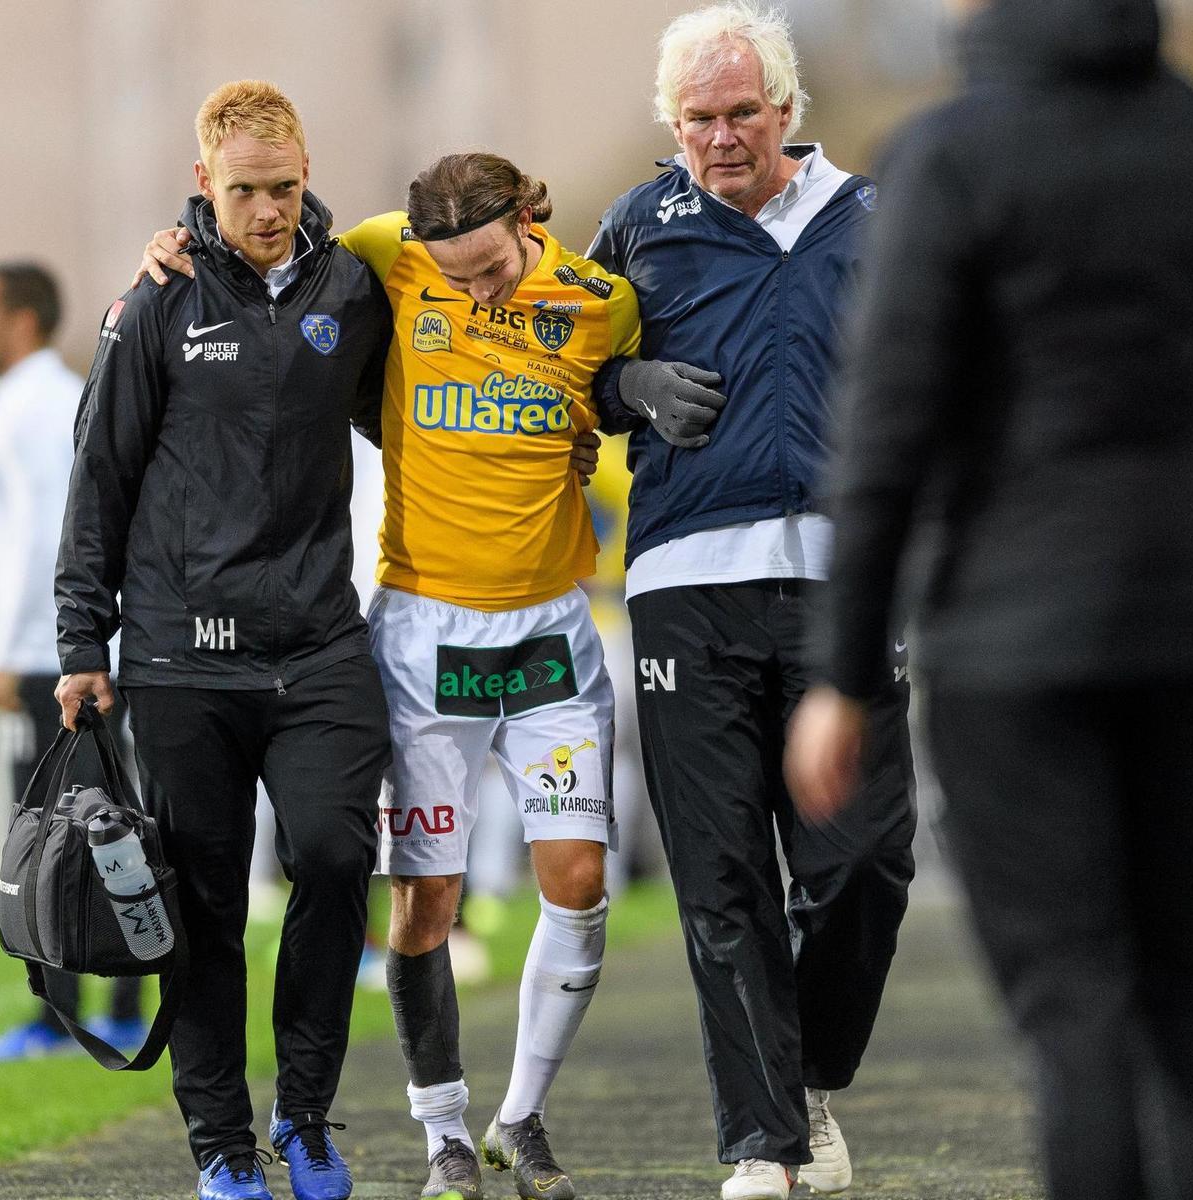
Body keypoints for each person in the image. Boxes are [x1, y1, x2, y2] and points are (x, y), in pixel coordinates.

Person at [785, 0, 1193, 1196]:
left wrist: (845, 672)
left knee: (1072, 1001)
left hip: (1005, 638)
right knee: (1172, 992)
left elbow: (886, 432)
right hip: (1164, 622)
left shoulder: (952, 155)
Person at [137, 152, 721, 1200]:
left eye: (491, 268)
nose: (475, 289)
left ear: (529, 222)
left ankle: (521, 1118)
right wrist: (176, 244)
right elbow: (268, 258)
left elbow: (617, 390)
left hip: (549, 628)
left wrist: (620, 393)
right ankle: (443, 1132)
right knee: (424, 904)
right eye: (453, 275)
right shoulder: (380, 253)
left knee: (580, 883)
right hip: (421, 634)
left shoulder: (599, 300)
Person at [584, 6, 917, 1197]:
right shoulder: (635, 223)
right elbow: (558, 368)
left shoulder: (874, 220)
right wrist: (626, 382)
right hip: (683, 585)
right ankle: (763, 1143)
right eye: (697, 119)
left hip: (842, 580)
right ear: (670, 124)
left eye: (740, 113)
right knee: (719, 879)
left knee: (866, 860)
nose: (720, 138)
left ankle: (807, 1070)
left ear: (786, 110)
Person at [56, 81, 393, 1200]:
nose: (265, 209)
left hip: (320, 644)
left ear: (308, 173)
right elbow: (98, 472)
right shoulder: (155, 298)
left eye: (284, 188)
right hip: (180, 656)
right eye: (243, 190)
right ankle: (219, 1146)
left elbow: (419, 392)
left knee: (339, 858)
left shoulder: (356, 285)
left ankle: (304, 1118)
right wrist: (80, 641)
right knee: (200, 897)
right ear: (204, 183)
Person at [0, 262, 147, 1064]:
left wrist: (9, 654)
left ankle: (60, 1016)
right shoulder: (25, 400)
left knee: (55, 836)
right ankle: (124, 1001)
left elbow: (44, 541)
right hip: (71, 646)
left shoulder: (35, 405)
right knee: (105, 827)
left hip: (51, 654)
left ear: (23, 319)